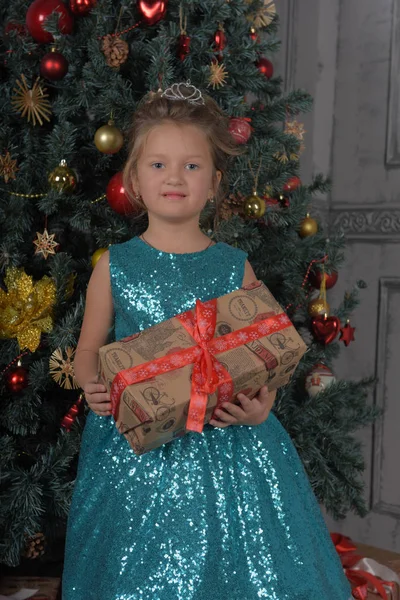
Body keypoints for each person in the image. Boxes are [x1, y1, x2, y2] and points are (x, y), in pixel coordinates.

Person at [62, 82, 351, 600]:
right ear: (134, 179)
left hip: (228, 443)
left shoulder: (234, 265)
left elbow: (266, 351)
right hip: (135, 453)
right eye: (158, 165)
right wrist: (91, 384)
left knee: (240, 570)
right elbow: (88, 349)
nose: (175, 177)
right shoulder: (115, 266)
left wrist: (264, 406)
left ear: (214, 183)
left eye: (192, 166)